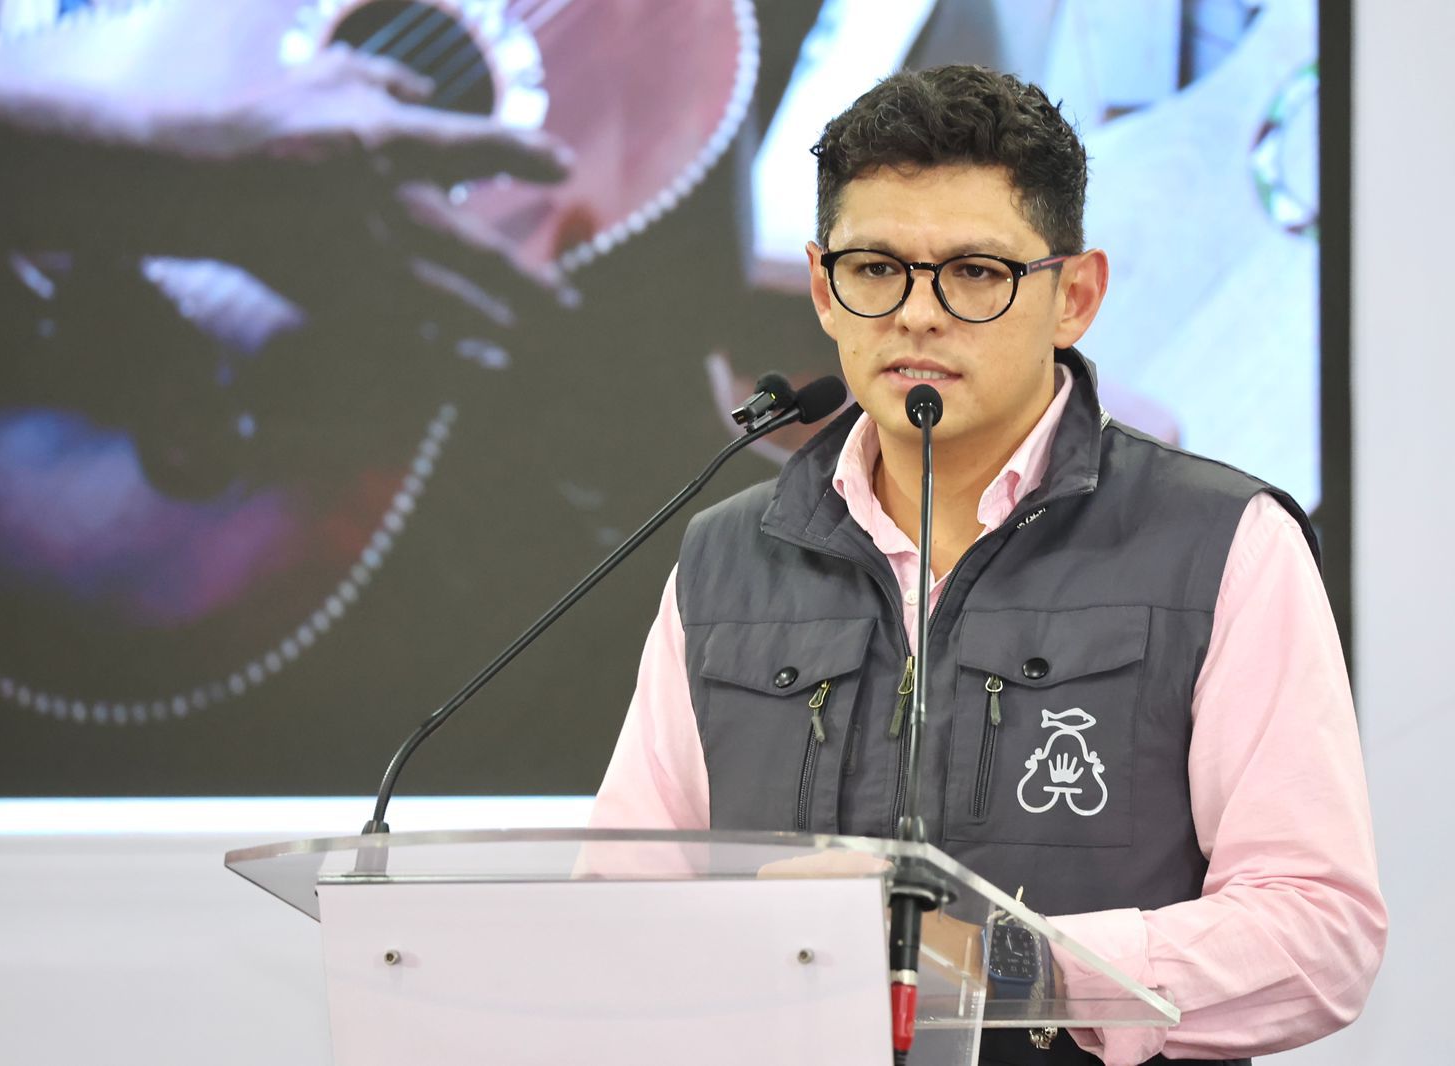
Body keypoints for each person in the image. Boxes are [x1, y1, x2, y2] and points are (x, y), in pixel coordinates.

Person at [589, 65, 1385, 1065]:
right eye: (875, 267)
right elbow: (622, 909)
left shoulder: (1225, 543)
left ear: (1074, 296)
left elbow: (1318, 933)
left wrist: (1005, 964)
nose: (917, 314)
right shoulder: (725, 559)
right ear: (824, 290)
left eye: (973, 272)